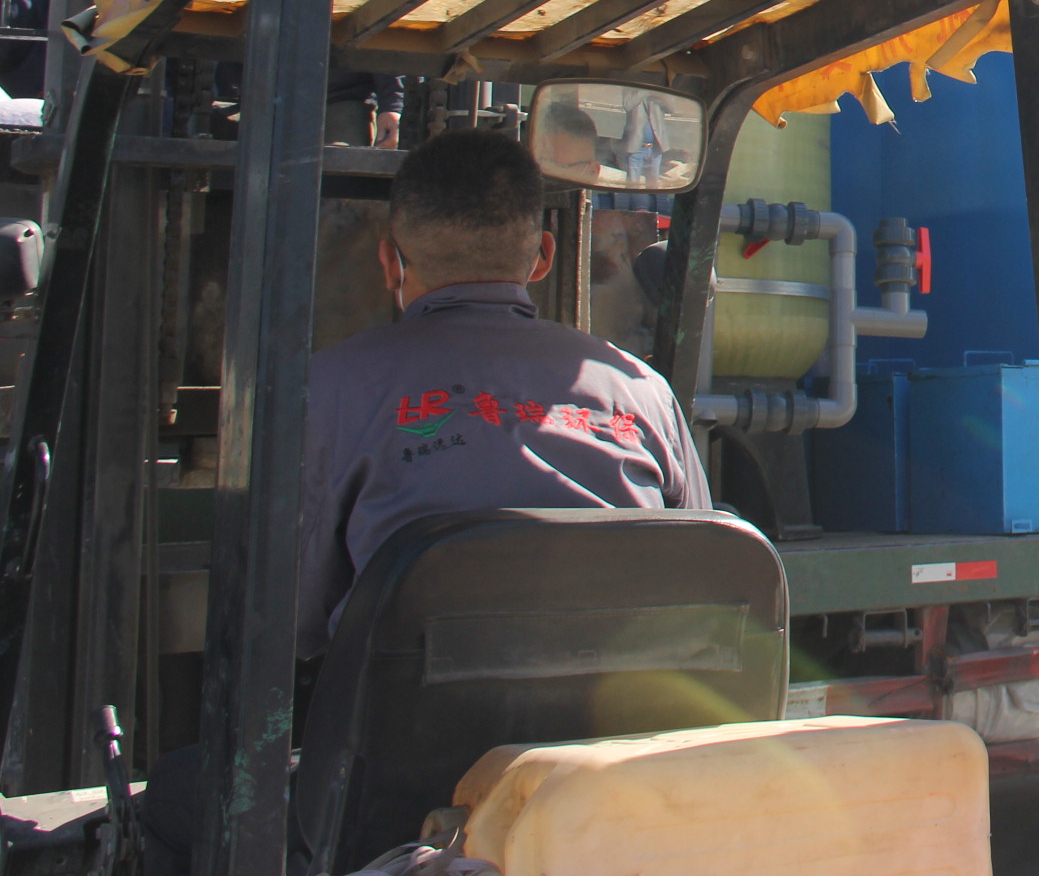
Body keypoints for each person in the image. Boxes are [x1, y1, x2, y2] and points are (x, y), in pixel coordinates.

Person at [139, 131, 709, 875]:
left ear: (390, 262)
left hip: (400, 810)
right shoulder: (642, 390)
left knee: (171, 796)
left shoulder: (330, 390)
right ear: (542, 257)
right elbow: (701, 578)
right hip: (608, 794)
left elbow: (289, 626)